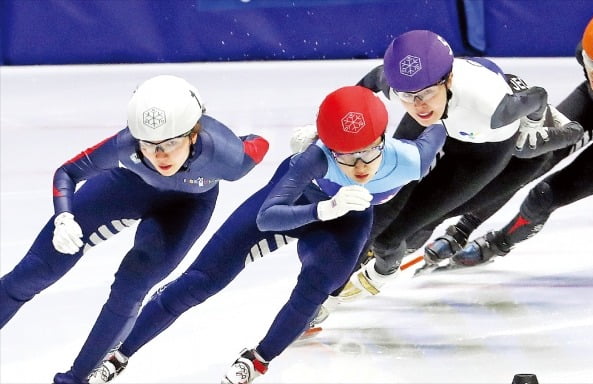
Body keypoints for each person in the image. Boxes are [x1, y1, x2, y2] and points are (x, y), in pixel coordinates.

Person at [87, 85, 446, 383]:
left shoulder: (410, 160)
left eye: (369, 153)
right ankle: (119, 354)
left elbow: (444, 124)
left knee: (314, 291)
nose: (360, 167)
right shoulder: (314, 159)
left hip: (346, 223)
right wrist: (323, 208)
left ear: (383, 139)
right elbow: (268, 218)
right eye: (345, 158)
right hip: (299, 207)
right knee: (200, 281)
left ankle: (258, 360)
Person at [0, 75, 269, 384]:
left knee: (130, 287)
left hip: (185, 209)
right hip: (128, 186)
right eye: (149, 146)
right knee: (33, 272)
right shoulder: (126, 145)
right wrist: (64, 217)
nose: (160, 156)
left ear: (193, 135)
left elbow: (258, 144)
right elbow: (68, 172)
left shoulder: (228, 158)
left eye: (170, 144)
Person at [325, 29, 582, 303]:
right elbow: (364, 88)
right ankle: (327, 293)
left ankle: (382, 271)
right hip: (442, 125)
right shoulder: (404, 88)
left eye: (426, 93)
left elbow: (538, 96)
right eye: (407, 96)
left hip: (484, 151)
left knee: (401, 230)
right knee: (380, 202)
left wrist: (533, 125)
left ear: (448, 79)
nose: (418, 104)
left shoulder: (492, 107)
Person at [423, 7, 593, 269]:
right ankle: (464, 226)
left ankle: (499, 242)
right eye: (590, 63)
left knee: (544, 196)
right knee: (528, 159)